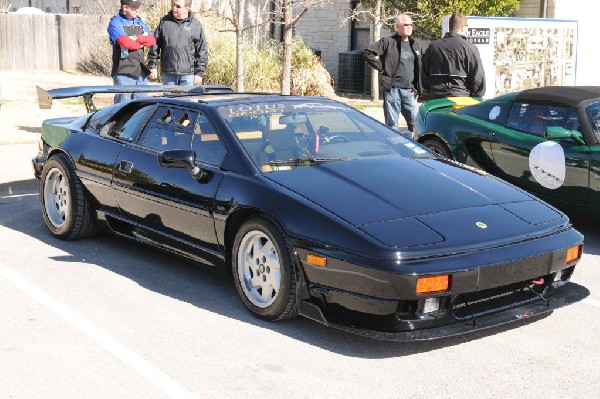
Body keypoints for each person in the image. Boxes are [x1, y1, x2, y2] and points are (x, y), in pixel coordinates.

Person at [363, 13, 423, 132]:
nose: (410, 27)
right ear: (397, 27)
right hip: (392, 90)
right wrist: (381, 67)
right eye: (406, 24)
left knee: (416, 125)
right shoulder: (388, 42)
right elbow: (367, 53)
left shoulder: (415, 45)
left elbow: (419, 67)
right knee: (392, 126)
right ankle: (394, 149)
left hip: (410, 92)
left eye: (411, 24)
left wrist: (418, 89)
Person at [421, 13, 486, 100]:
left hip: (437, 99)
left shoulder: (433, 46)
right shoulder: (470, 48)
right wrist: (477, 97)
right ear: (463, 27)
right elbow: (478, 77)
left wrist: (430, 90)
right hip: (461, 98)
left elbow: (424, 75)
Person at [147, 0, 208, 86]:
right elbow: (154, 45)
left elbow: (202, 50)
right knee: (169, 99)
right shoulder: (164, 22)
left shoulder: (195, 25)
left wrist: (199, 73)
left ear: (187, 9)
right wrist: (152, 65)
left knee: (185, 99)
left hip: (187, 76)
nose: (174, 8)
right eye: (173, 5)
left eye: (178, 6)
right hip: (168, 74)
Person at [107, 0, 156, 103]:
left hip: (141, 72)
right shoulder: (115, 22)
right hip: (124, 72)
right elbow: (125, 42)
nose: (137, 9)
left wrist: (135, 38)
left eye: (138, 6)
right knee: (123, 108)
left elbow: (152, 40)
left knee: (142, 108)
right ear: (125, 7)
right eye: (134, 6)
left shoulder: (139, 22)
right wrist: (141, 41)